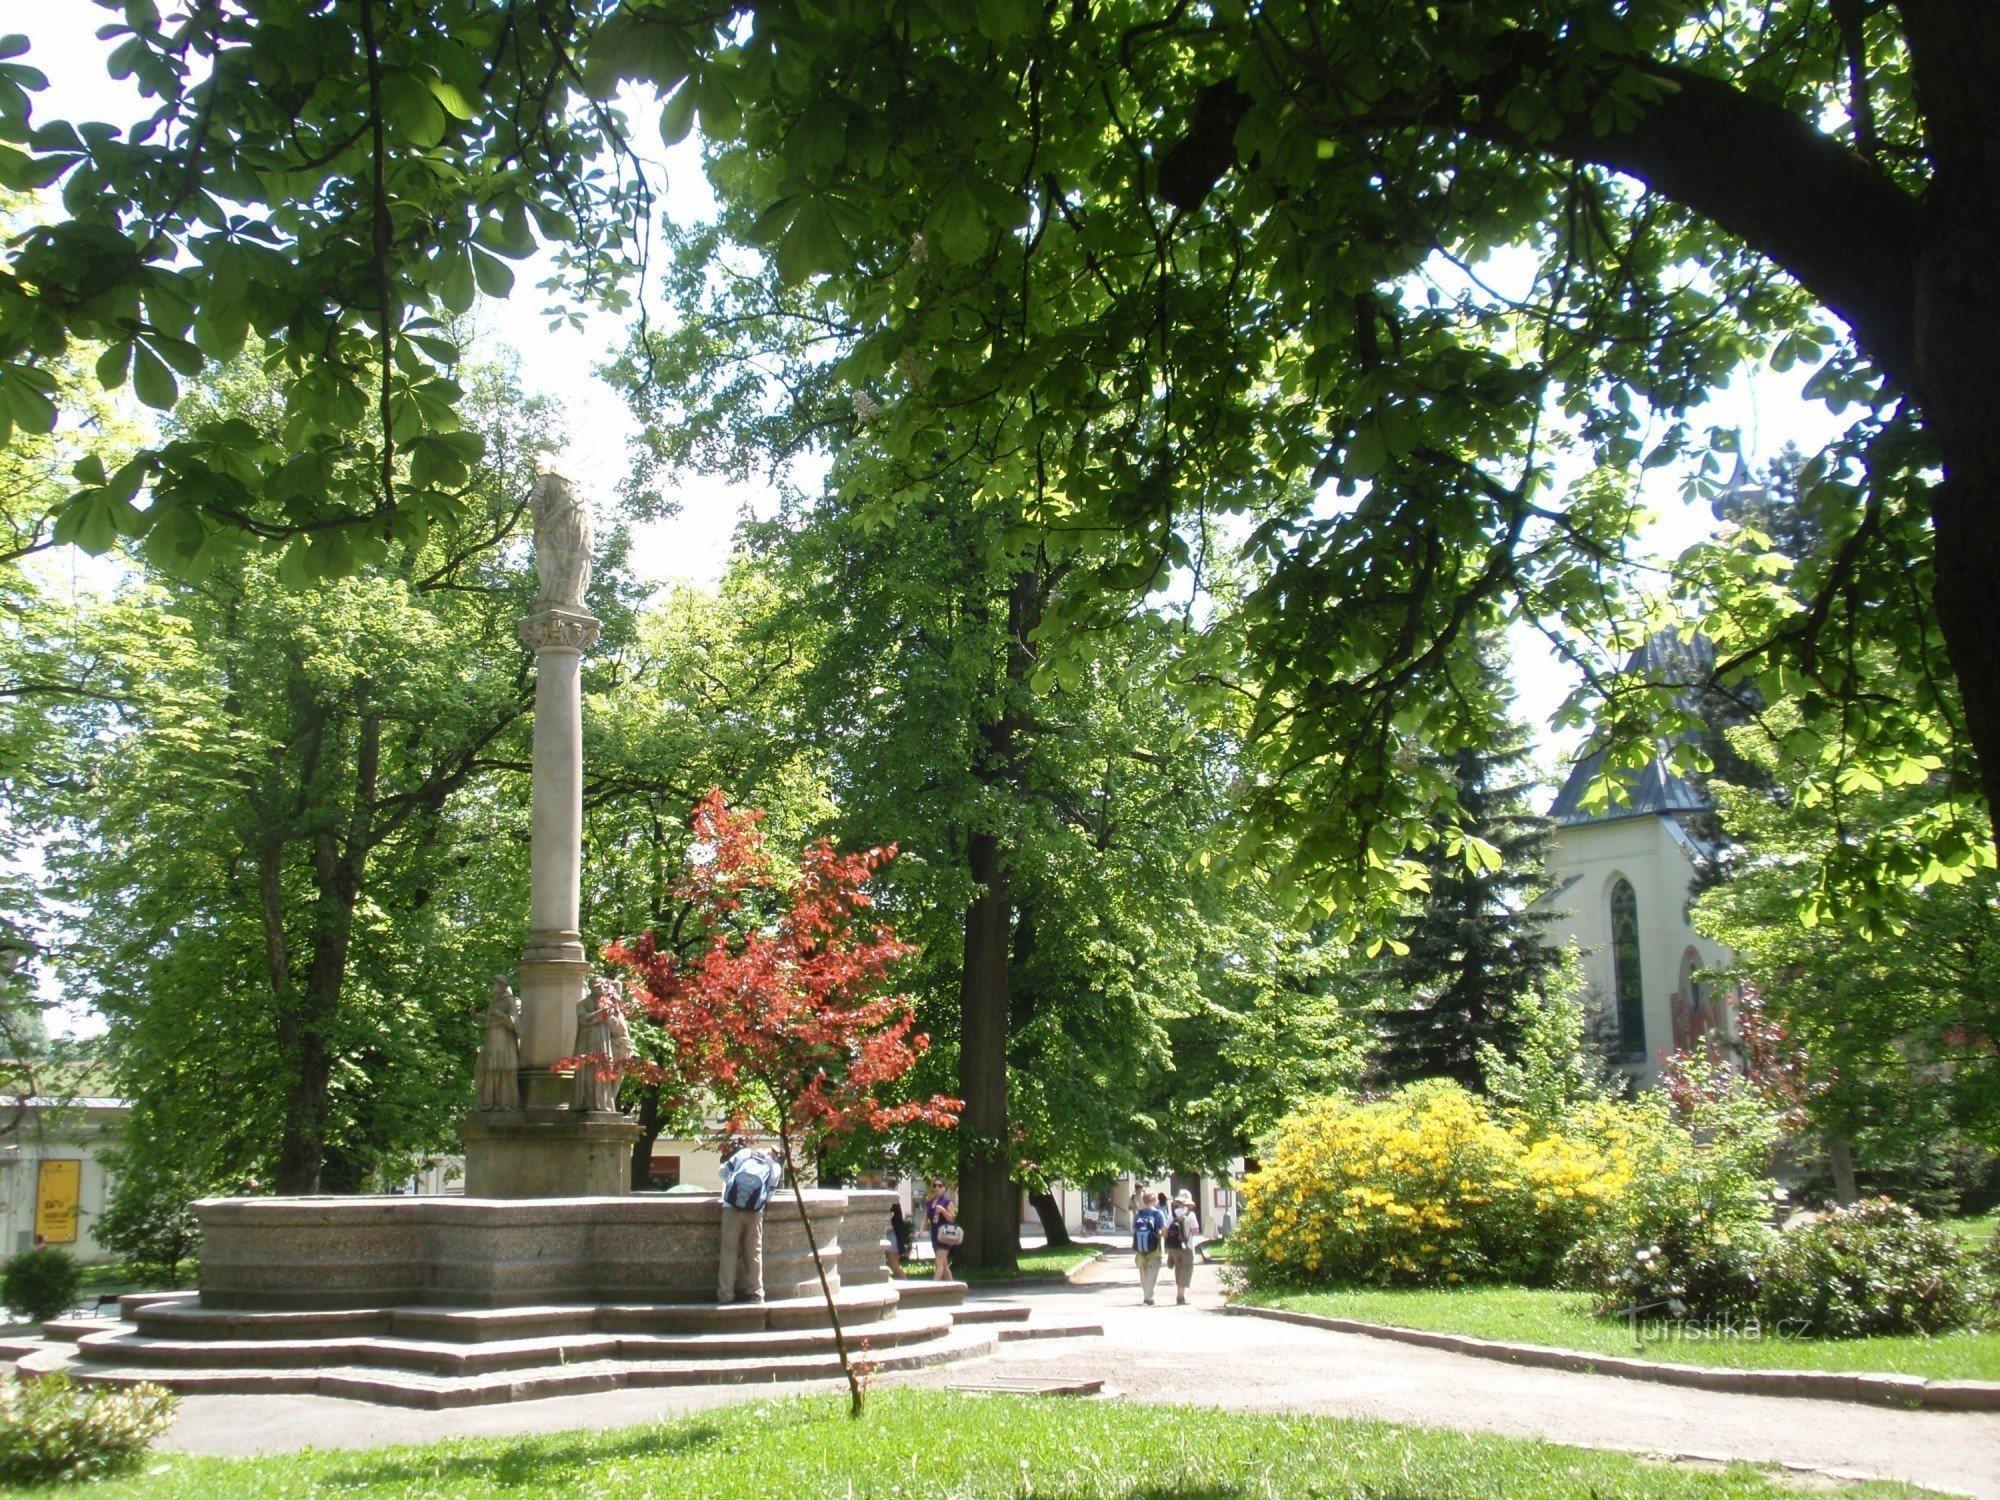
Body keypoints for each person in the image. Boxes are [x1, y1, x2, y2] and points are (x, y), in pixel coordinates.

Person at [716, 1136, 782, 1304]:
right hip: (754, 1212)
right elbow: (769, 1195)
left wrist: (733, 1186)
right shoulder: (774, 1167)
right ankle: (756, 1293)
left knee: (729, 1252)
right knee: (754, 1252)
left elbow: (722, 1172)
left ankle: (725, 1295)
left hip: (730, 1208)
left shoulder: (745, 1153)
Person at [1165, 1189, 1200, 1305]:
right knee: (1186, 1269)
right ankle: (1180, 1296)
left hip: (1174, 1247)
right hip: (1187, 1247)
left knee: (1178, 1269)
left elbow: (1165, 1230)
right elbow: (1195, 1231)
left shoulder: (1172, 1214)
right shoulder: (1191, 1214)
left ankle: (1180, 1293)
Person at [1132, 1190, 1166, 1305]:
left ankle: (1146, 1294)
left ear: (1143, 1201)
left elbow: (1134, 1230)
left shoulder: (1138, 1214)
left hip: (1141, 1248)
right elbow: (1164, 1230)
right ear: (1155, 1201)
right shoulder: (1158, 1214)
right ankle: (1148, 1296)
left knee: (1144, 1272)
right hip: (1155, 1247)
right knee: (1153, 1271)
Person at [923, 1181, 960, 1281]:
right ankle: (952, 1287)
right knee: (943, 1263)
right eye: (935, 1185)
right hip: (935, 1235)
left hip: (945, 1235)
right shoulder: (929, 1203)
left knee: (939, 1261)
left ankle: (933, 1288)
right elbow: (925, 1218)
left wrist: (943, 1211)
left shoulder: (947, 1202)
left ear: (944, 1188)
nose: (937, 1188)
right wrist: (921, 1230)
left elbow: (952, 1219)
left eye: (940, 1186)